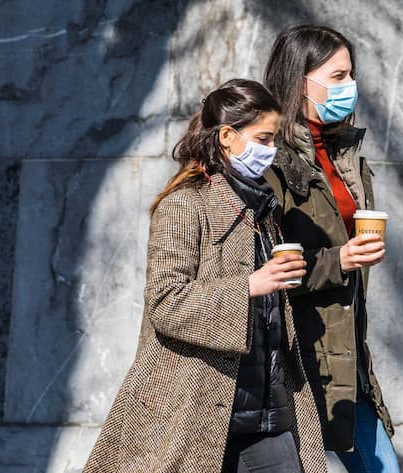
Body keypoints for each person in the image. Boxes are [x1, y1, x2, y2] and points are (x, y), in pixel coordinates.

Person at [83, 79, 327, 473]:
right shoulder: (185, 204)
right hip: (201, 411)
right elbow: (165, 302)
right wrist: (250, 285)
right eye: (263, 138)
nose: (271, 151)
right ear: (228, 137)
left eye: (273, 141)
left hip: (270, 414)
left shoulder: (262, 209)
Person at [263, 25, 400, 473]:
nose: (349, 87)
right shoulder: (271, 161)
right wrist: (338, 261)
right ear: (299, 80)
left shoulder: (345, 157)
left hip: (348, 358)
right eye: (337, 76)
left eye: (351, 74)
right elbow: (263, 268)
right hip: (293, 363)